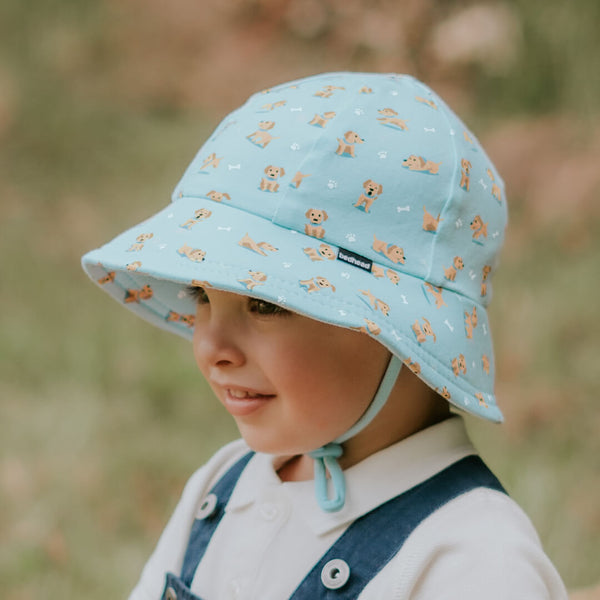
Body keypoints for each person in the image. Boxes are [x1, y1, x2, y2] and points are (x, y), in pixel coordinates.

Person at [82, 72, 567, 599]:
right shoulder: (225, 486)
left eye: (265, 304)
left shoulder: (474, 563)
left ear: (397, 332)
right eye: (202, 295)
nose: (210, 348)